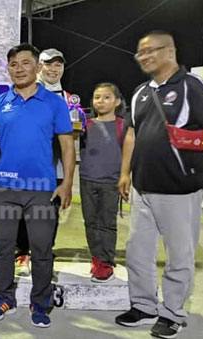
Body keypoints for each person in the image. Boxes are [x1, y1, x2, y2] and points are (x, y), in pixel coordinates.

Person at [114, 31, 203, 339]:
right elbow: (131, 133)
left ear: (169, 51)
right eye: (140, 54)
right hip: (144, 187)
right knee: (138, 252)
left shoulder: (192, 86)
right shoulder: (141, 91)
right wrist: (125, 173)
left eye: (150, 52)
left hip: (180, 188)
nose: (143, 58)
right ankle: (143, 306)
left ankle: (172, 313)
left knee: (179, 254)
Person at [0, 43, 74, 328]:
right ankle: (2, 298)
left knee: (42, 248)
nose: (19, 68)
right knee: (4, 247)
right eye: (13, 64)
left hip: (41, 189)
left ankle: (40, 303)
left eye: (25, 63)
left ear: (37, 67)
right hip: (4, 188)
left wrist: (66, 183)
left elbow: (67, 145)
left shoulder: (54, 103)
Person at [14, 47, 73, 276]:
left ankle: (44, 255)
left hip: (54, 169)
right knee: (22, 214)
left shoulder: (69, 99)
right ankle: (22, 254)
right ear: (39, 67)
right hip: (27, 167)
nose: (53, 69)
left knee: (50, 215)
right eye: (48, 64)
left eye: (58, 64)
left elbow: (70, 137)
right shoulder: (26, 94)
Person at [80, 83, 126, 283]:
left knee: (107, 223)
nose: (101, 101)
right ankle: (96, 258)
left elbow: (129, 153)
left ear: (116, 101)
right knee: (90, 222)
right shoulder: (85, 125)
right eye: (97, 97)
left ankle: (106, 262)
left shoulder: (123, 126)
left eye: (107, 97)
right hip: (87, 180)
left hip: (111, 182)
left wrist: (126, 177)